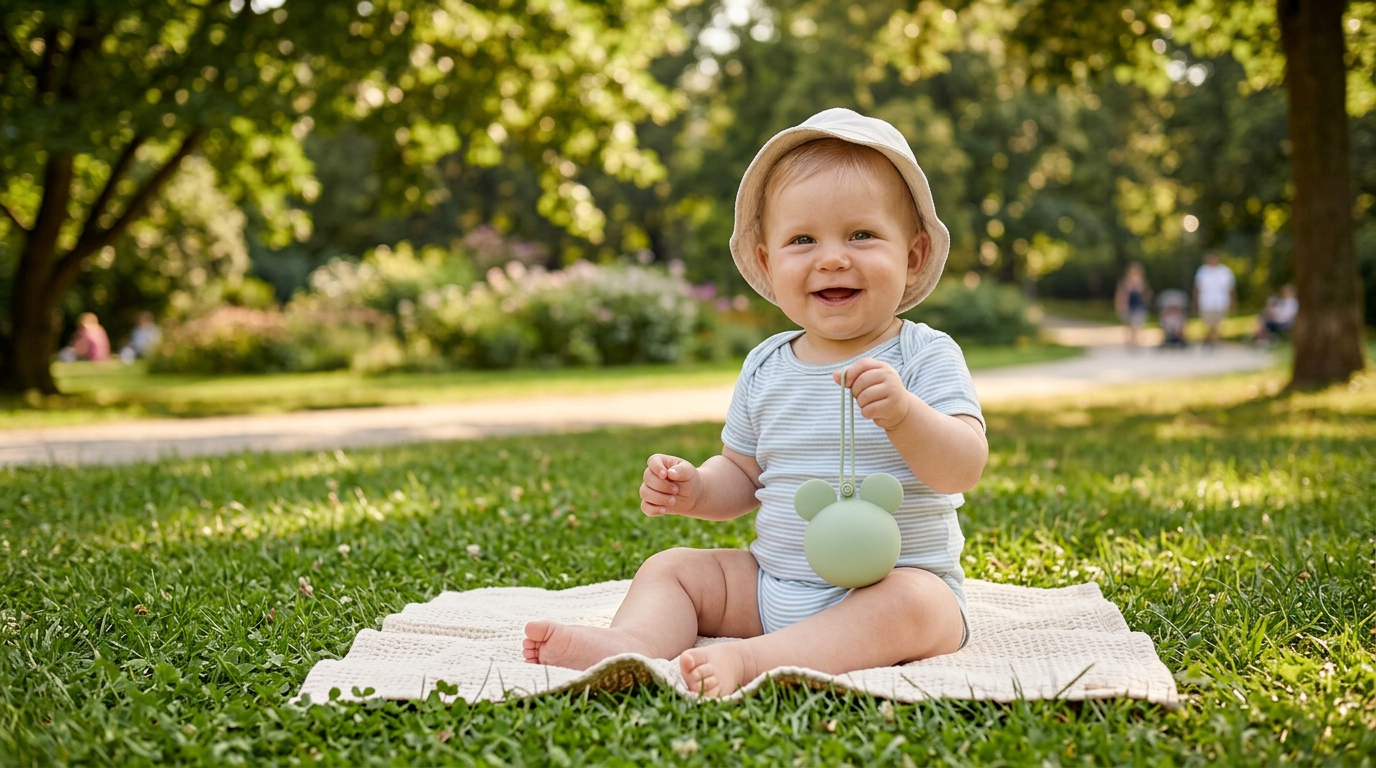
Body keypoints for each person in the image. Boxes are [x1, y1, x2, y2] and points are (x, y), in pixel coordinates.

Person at [522, 109, 987, 697]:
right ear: (767, 262)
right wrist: (696, 489)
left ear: (914, 255)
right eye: (802, 240)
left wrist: (904, 415)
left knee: (917, 603)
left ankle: (758, 659)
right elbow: (742, 473)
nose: (832, 258)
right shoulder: (767, 364)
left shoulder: (924, 355)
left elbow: (963, 465)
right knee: (673, 569)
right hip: (773, 585)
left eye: (862, 234)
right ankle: (631, 644)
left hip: (894, 586)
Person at [1193, 251, 1236, 348]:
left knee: (1217, 323)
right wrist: (1195, 303)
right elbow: (1198, 288)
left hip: (1220, 302)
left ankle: (1213, 341)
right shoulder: (1202, 271)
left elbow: (1230, 288)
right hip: (1206, 302)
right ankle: (1211, 339)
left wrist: (1233, 302)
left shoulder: (1225, 272)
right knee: (1208, 323)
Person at [1113, 262, 1152, 348]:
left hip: (1139, 306)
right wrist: (1120, 305)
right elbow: (1120, 295)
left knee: (1137, 324)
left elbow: (1146, 294)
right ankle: (1131, 340)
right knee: (1130, 325)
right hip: (1129, 306)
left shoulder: (1142, 282)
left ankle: (1135, 341)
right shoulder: (1124, 282)